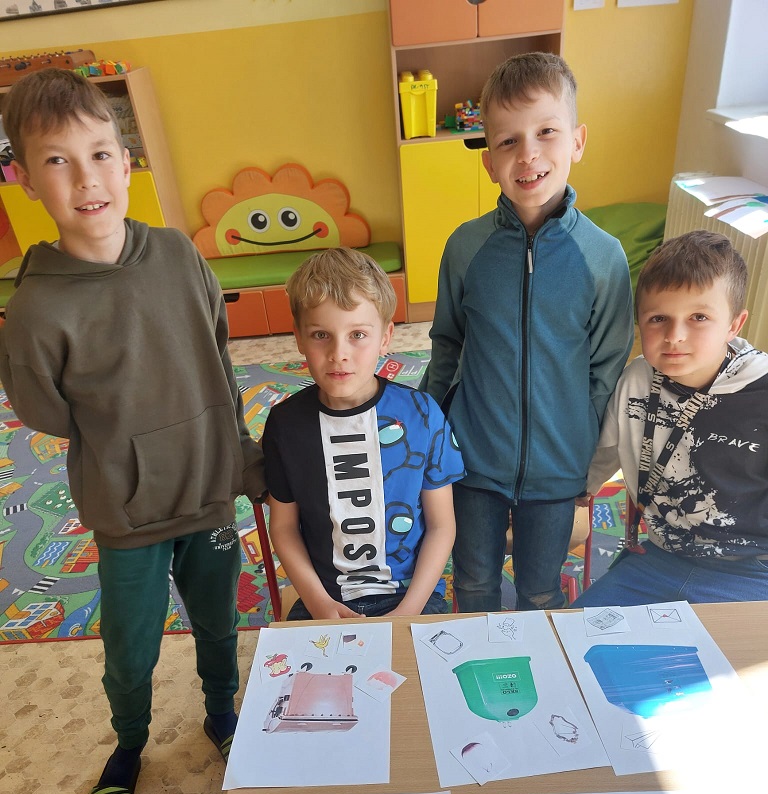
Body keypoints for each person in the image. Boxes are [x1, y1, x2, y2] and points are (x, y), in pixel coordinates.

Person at [0, 68, 265, 794]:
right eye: (58, 161)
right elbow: (46, 412)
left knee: (220, 620)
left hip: (209, 493)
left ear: (125, 162)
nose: (86, 179)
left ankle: (223, 715)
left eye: (99, 154)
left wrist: (240, 457)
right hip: (127, 512)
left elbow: (217, 353)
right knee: (130, 646)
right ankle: (128, 746)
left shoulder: (178, 254)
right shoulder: (37, 304)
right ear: (25, 180)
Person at [420, 52, 633, 613]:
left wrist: (585, 457)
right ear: (488, 161)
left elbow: (607, 368)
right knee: (473, 586)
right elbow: (447, 347)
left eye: (546, 132)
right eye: (508, 141)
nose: (528, 154)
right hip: (473, 461)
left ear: (578, 141)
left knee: (540, 592)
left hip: (559, 469)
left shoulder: (604, 258)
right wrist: (425, 437)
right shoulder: (465, 247)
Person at [262, 247, 464, 620]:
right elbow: (285, 528)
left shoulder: (422, 415)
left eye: (357, 334)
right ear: (299, 338)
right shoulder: (284, 425)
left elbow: (442, 526)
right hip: (324, 598)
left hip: (410, 596)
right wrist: (320, 603)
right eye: (320, 334)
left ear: (386, 337)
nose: (339, 353)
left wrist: (407, 612)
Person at [572, 230, 768, 607]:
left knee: (731, 647)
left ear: (734, 325)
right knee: (571, 633)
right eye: (658, 318)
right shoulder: (636, 378)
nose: (674, 336)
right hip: (659, 558)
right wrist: (574, 491)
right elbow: (603, 453)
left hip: (752, 569)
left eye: (699, 317)